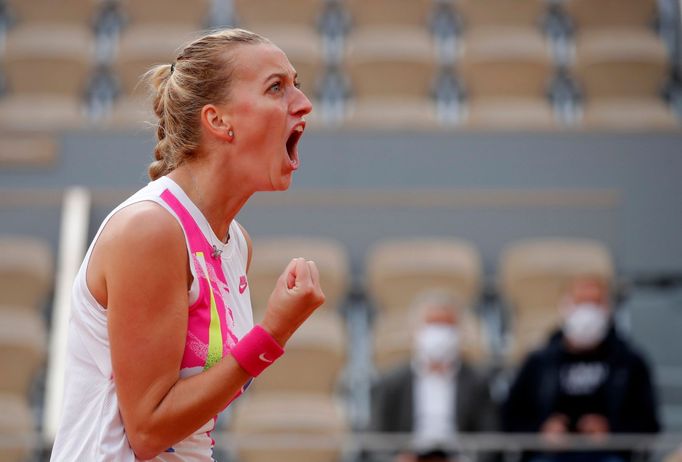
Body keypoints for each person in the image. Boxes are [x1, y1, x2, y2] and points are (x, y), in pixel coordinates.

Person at [50, 28, 324, 461]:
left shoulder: (237, 243)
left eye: (297, 85)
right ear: (218, 121)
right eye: (276, 88)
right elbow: (149, 430)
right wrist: (272, 333)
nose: (303, 103)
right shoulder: (151, 230)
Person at [502, 276, 660, 462]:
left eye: (595, 303)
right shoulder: (539, 362)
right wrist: (541, 430)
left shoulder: (630, 362)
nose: (588, 311)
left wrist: (611, 431)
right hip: (549, 455)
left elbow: (649, 422)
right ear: (565, 307)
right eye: (581, 302)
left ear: (608, 309)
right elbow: (510, 416)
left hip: (608, 454)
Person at [369, 290, 499, 462]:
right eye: (432, 325)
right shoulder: (392, 383)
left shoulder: (478, 383)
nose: (439, 334)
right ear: (415, 330)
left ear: (458, 332)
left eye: (446, 326)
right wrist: (396, 458)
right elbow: (375, 438)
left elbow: (490, 439)